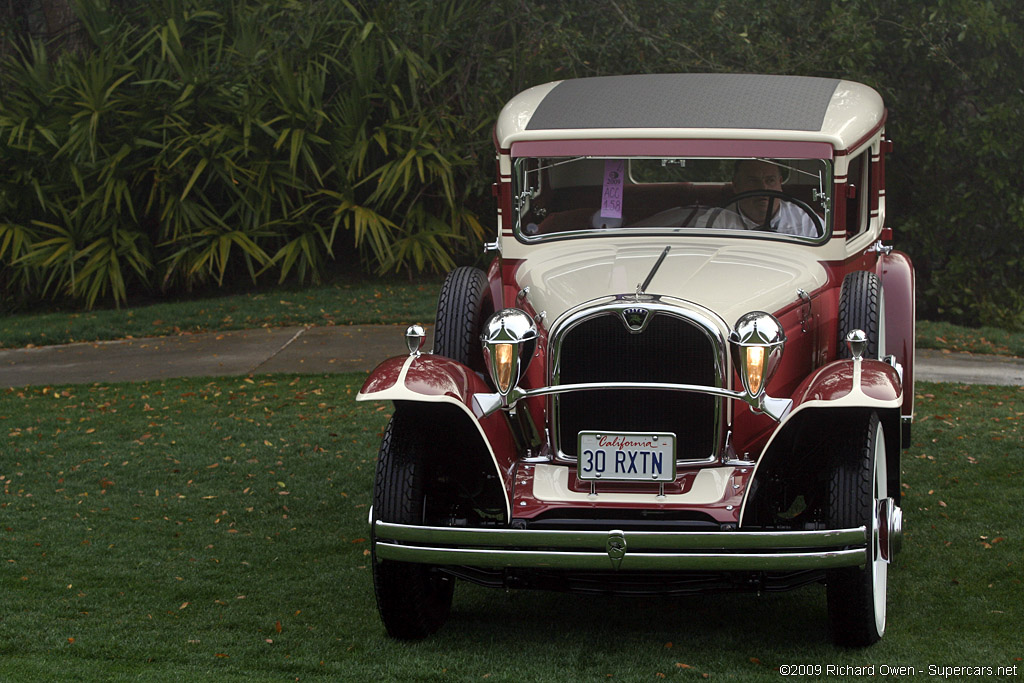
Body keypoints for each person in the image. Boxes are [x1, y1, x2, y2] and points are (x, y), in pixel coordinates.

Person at [704, 159, 820, 237]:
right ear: (736, 185)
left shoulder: (805, 220)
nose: (763, 188)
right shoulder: (714, 221)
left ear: (780, 184)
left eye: (770, 180)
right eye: (752, 181)